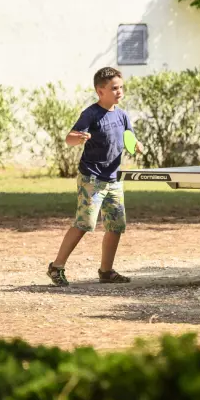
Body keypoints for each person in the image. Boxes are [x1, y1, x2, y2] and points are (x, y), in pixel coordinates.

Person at [47, 67, 144, 286]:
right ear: (100, 91)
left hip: (114, 179)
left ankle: (106, 271)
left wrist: (137, 145)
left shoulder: (122, 115)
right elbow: (69, 138)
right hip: (92, 178)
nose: (119, 92)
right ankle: (56, 267)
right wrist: (79, 137)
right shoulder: (90, 114)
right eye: (114, 88)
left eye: (121, 87)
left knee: (116, 226)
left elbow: (130, 138)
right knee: (84, 223)